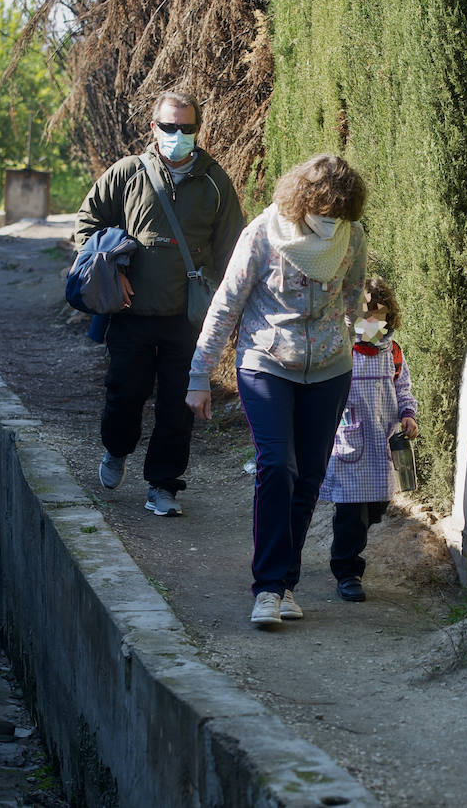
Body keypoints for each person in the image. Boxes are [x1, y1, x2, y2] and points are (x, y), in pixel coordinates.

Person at [185, 154, 368, 627]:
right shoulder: (264, 235)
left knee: (309, 475)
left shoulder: (352, 236)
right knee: (277, 466)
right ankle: (266, 589)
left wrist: (352, 343)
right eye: (323, 214)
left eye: (339, 216)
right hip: (266, 362)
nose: (331, 224)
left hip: (329, 369)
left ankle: (287, 584)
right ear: (303, 203)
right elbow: (226, 305)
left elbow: (352, 294)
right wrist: (199, 375)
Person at [75, 92, 244, 516]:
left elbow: (233, 253)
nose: (177, 135)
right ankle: (116, 449)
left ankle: (163, 486)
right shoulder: (127, 173)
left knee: (178, 407)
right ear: (153, 127)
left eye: (186, 128)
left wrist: (228, 308)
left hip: (187, 320)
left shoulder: (214, 182)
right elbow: (87, 225)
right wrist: (112, 274)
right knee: (124, 396)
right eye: (169, 127)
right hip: (130, 315)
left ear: (197, 130)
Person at [318, 275, 419, 603]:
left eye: (380, 317)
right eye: (366, 317)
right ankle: (347, 572)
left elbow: (402, 388)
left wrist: (408, 414)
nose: (373, 323)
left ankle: (350, 551)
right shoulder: (342, 350)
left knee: (376, 508)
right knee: (351, 513)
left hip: (381, 444)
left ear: (390, 317)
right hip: (349, 442)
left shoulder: (394, 353)